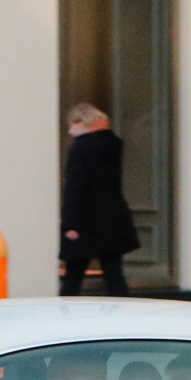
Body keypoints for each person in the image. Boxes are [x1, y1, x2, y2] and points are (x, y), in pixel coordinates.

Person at [59, 102, 139, 295]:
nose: (70, 130)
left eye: (72, 124)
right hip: (112, 218)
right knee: (114, 275)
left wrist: (69, 224)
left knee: (73, 277)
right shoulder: (112, 146)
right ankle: (122, 317)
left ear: (81, 122)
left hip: (84, 220)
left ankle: (64, 316)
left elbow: (74, 188)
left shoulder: (81, 148)